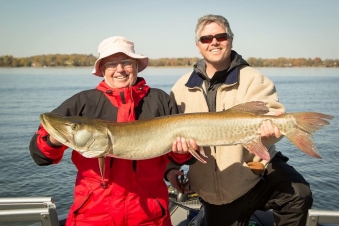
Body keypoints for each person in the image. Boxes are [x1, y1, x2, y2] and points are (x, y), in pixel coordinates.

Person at [29, 36, 195, 226]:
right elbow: (39, 155)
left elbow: (179, 157)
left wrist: (182, 153)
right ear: (102, 70)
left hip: (149, 216)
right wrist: (54, 140)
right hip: (92, 217)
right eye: (111, 64)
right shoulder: (82, 102)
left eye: (126, 62)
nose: (119, 69)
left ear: (136, 66)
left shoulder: (159, 100)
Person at [166, 14, 313, 226]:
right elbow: (169, 133)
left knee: (299, 193)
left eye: (221, 36)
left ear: (231, 39)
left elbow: (271, 113)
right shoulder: (181, 87)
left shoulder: (254, 78)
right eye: (206, 39)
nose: (214, 42)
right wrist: (171, 167)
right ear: (198, 46)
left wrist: (271, 133)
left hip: (254, 174)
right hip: (213, 190)